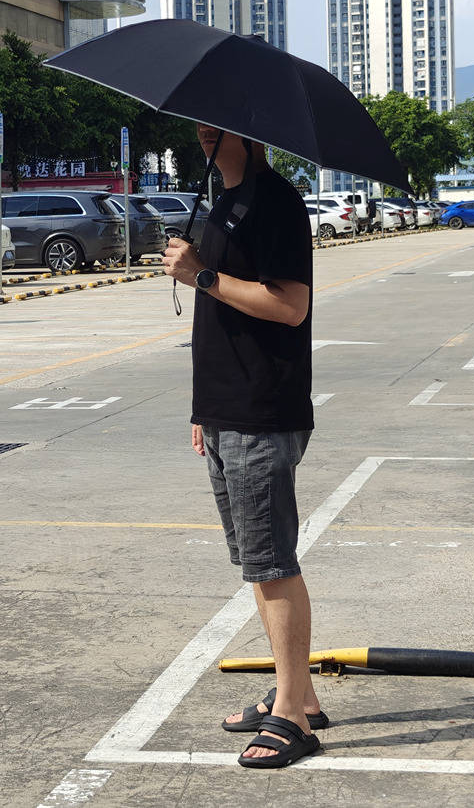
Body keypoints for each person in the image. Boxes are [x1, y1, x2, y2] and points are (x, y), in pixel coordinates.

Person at [161, 124, 323, 769]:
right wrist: (203, 409)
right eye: (198, 125)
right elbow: (214, 321)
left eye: (215, 126)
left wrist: (200, 275)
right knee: (255, 561)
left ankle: (292, 719)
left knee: (272, 559)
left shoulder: (276, 201)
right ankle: (300, 695)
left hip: (263, 409)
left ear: (251, 132)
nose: (203, 136)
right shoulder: (221, 199)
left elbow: (289, 306)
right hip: (227, 409)